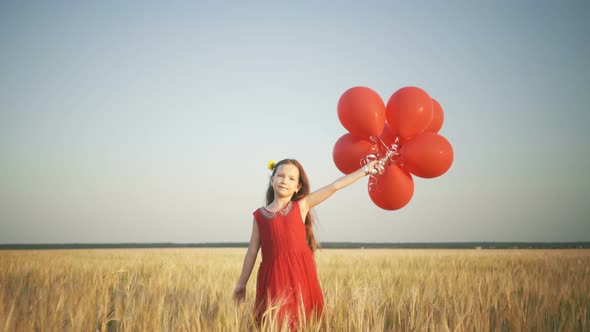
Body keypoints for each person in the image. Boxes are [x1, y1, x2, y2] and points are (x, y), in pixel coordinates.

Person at [233, 158, 382, 328]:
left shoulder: (301, 206)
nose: (284, 181)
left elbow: (334, 186)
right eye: (280, 176)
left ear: (298, 187)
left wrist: (365, 170)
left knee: (303, 320)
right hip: (273, 277)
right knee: (277, 321)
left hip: (301, 275)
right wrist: (241, 284)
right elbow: (252, 251)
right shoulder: (260, 216)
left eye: (291, 178)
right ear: (272, 179)